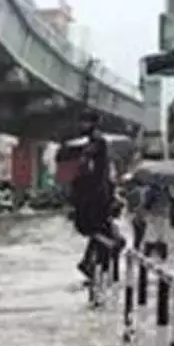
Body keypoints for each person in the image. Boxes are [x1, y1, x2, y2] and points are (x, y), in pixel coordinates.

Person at [69, 111, 115, 280]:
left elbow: (91, 168)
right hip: (94, 194)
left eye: (85, 122)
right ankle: (93, 265)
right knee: (99, 231)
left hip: (96, 196)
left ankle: (94, 265)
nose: (82, 125)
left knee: (100, 230)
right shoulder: (93, 142)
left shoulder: (97, 142)